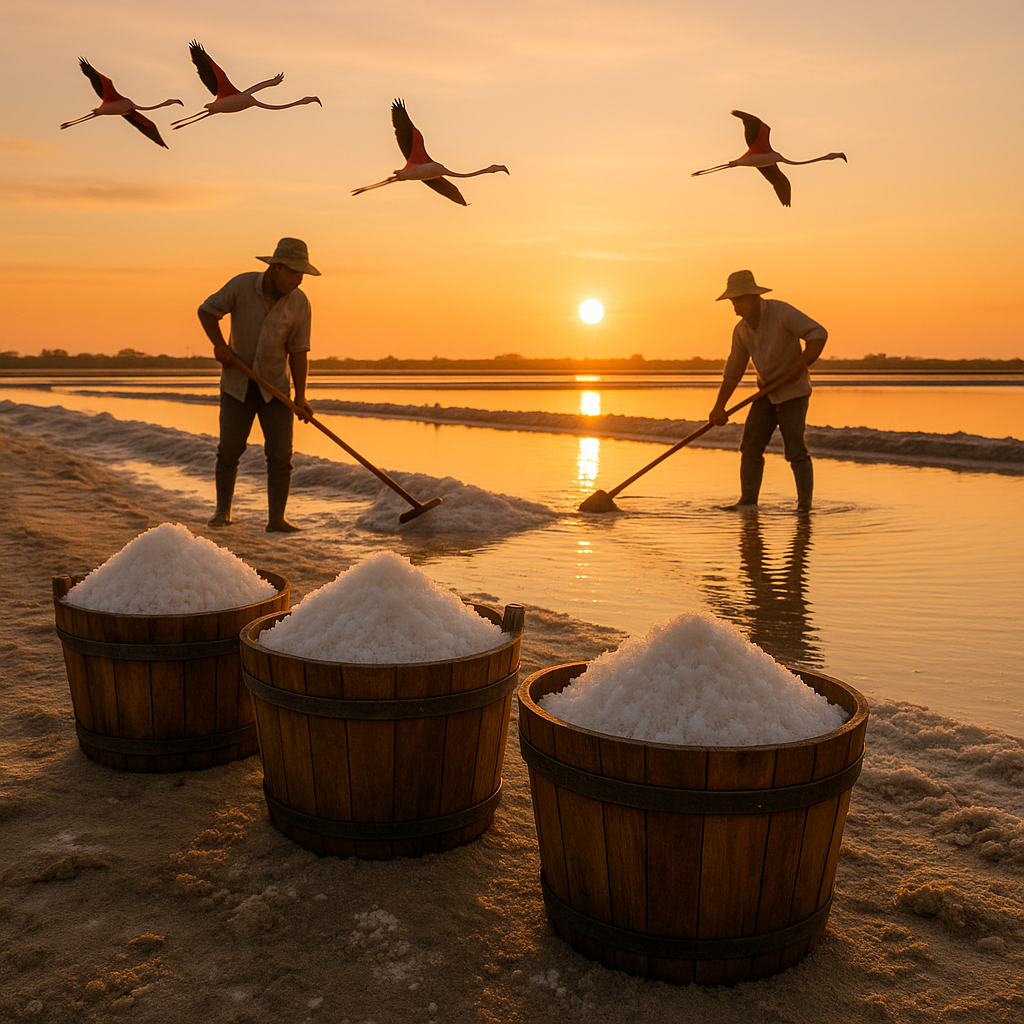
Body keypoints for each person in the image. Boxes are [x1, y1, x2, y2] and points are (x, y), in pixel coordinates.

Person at [198, 237, 320, 533]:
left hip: (276, 389)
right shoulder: (241, 286)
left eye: (301, 274)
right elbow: (206, 310)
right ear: (276, 268)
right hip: (237, 384)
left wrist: (301, 397)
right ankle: (222, 512)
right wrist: (220, 346)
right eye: (293, 272)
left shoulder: (300, 302)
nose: (298, 279)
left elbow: (299, 351)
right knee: (229, 451)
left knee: (281, 456)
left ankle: (276, 519)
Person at [709, 269, 827, 512]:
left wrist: (800, 364)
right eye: (733, 301)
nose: (735, 306)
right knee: (750, 447)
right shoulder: (741, 331)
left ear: (753, 297)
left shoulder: (781, 312)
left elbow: (818, 334)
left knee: (795, 450)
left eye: (739, 300)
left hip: (793, 392)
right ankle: (748, 501)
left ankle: (805, 505)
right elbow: (733, 372)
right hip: (765, 393)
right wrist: (719, 407)